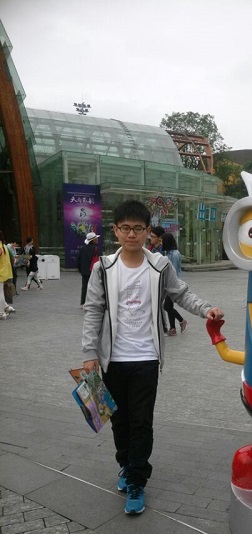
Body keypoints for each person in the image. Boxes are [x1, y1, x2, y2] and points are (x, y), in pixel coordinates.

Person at [81, 199, 224, 515]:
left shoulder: (159, 266)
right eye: (125, 228)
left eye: (138, 228)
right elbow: (93, 311)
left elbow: (181, 294)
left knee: (141, 422)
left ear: (148, 231)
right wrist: (89, 353)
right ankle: (126, 465)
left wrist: (206, 309)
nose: (131, 234)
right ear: (116, 231)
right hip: (112, 360)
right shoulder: (103, 268)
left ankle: (137, 480)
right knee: (119, 420)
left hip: (146, 357)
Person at [162, 232, 188, 335]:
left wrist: (171, 282)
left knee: (166, 306)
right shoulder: (168, 253)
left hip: (174, 283)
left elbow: (174, 270)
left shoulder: (175, 254)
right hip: (169, 283)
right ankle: (173, 329)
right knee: (169, 306)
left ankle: (182, 321)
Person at [77, 231, 100, 307]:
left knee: (84, 287)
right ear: (92, 240)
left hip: (85, 271)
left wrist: (80, 270)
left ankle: (82, 302)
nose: (97, 240)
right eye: (96, 239)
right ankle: (93, 302)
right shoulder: (96, 249)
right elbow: (100, 260)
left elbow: (78, 260)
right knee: (95, 287)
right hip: (94, 270)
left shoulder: (82, 249)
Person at [0, 231, 15, 319]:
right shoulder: (4, 246)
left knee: (0, 293)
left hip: (0, 273)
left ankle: (1, 313)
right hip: (4, 272)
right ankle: (6, 307)